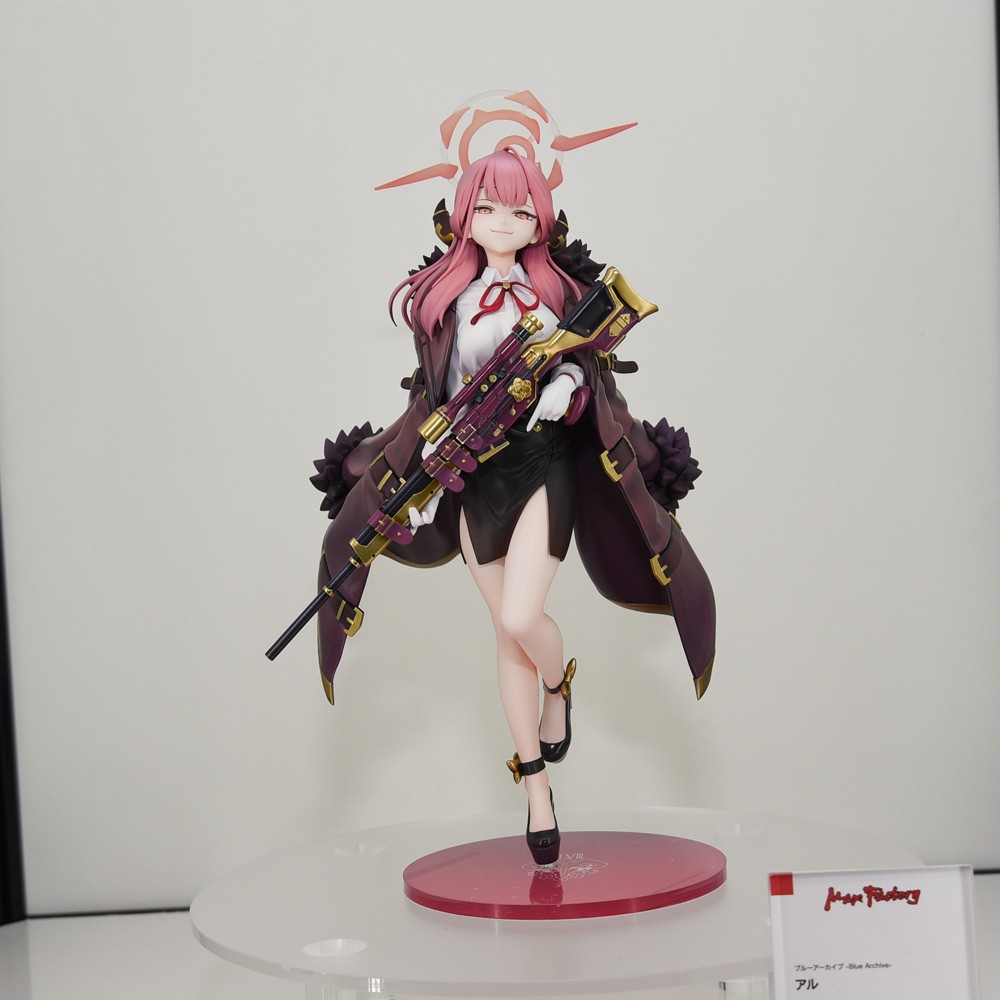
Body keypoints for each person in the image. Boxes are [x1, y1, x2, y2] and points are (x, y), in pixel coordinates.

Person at [310, 148, 715, 866]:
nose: (503, 222)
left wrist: (568, 387)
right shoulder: (445, 306)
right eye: (489, 208)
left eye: (520, 210)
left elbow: (587, 364)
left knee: (523, 618)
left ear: (539, 221)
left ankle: (558, 683)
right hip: (473, 475)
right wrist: (420, 485)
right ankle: (536, 789)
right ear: (466, 216)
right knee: (505, 633)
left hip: (543, 464)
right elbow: (433, 404)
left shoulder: (554, 295)